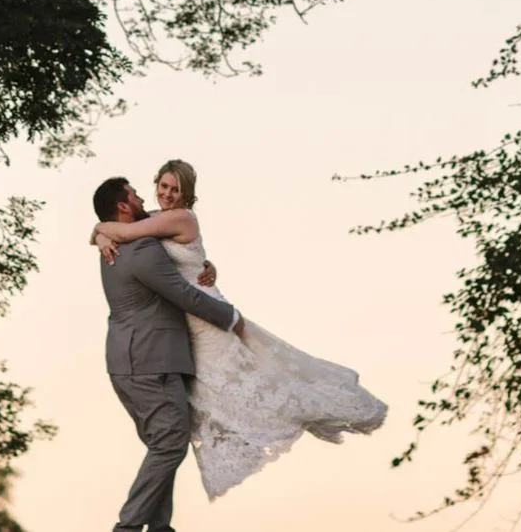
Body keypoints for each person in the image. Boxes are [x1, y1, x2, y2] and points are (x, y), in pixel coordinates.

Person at [93, 158, 389, 500]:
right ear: (154, 185)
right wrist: (100, 234)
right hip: (182, 329)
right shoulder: (152, 222)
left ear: (187, 194)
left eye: (176, 189)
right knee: (198, 414)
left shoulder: (179, 217)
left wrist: (100, 232)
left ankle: (297, 413)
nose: (167, 194)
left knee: (253, 381)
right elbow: (128, 231)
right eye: (163, 187)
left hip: (205, 315)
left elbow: (124, 231)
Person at [95, 173, 246, 532]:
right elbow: (183, 294)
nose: (141, 198)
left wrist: (203, 265)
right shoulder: (143, 249)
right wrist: (233, 319)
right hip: (151, 362)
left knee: (162, 444)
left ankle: (160, 527)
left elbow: (181, 261)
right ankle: (128, 527)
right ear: (122, 206)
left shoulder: (115, 243)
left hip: (126, 362)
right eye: (133, 195)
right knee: (170, 445)